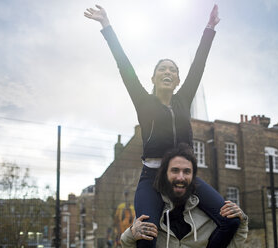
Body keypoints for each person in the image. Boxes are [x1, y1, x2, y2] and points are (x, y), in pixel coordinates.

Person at [84, 4, 240, 248]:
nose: (168, 72)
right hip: (153, 179)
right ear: (154, 78)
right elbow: (123, 65)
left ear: (177, 80)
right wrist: (106, 26)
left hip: (183, 176)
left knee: (231, 220)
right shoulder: (144, 103)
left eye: (173, 70)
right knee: (146, 234)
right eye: (162, 69)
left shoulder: (183, 99)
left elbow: (199, 65)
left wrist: (209, 28)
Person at [120, 144, 248, 248]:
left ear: (193, 177)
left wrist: (241, 222)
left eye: (187, 171)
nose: (180, 177)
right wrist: (131, 234)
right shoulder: (150, 214)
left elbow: (231, 245)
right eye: (175, 170)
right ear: (165, 174)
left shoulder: (210, 218)